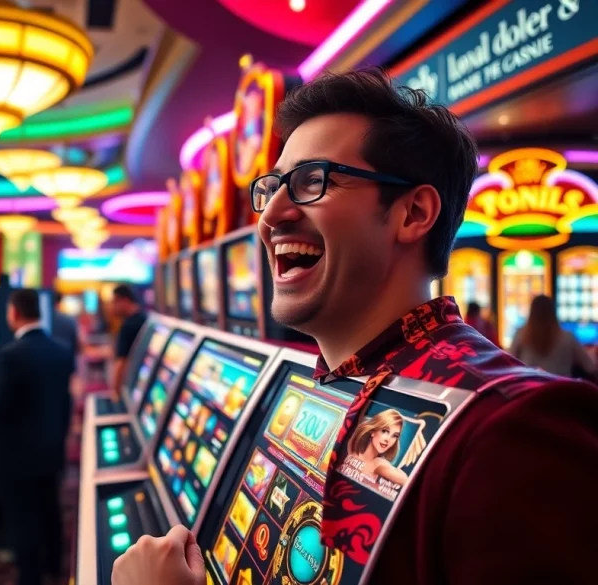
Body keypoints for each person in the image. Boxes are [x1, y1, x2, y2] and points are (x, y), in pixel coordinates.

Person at [112, 68, 598, 585]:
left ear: (413, 213)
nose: (271, 215)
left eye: (312, 181)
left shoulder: (510, 427)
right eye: (271, 187)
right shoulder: (322, 382)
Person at [0, 288, 73, 585]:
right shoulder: (61, 350)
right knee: (50, 508)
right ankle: (54, 564)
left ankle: (30, 577)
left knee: (22, 519)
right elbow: (61, 402)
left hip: (16, 455)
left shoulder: (11, 354)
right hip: (51, 446)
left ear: (13, 312)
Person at [510, 294, 596, 379]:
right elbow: (590, 367)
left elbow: (508, 365)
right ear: (554, 312)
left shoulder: (521, 335)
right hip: (561, 387)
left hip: (531, 386)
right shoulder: (567, 337)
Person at [110, 284, 147, 393]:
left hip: (131, 383)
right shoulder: (145, 318)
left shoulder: (129, 325)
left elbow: (121, 363)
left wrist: (115, 392)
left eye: (115, 302)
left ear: (125, 300)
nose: (113, 307)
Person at [50, 293, 80, 365]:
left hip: (48, 361)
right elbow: (78, 344)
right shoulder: (70, 320)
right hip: (67, 361)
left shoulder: (44, 320)